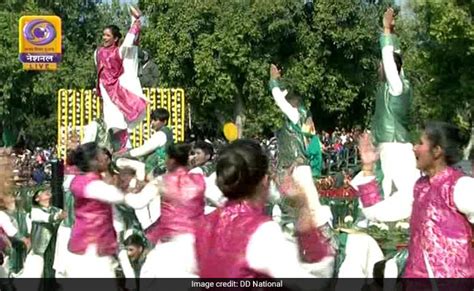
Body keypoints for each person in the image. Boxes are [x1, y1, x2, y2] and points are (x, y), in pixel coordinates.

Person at [194, 139, 335, 284]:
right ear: (265, 181)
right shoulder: (262, 231)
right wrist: (303, 206)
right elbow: (314, 281)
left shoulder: (204, 224)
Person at [357, 121, 474, 279]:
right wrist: (368, 167)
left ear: (437, 151)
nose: (414, 147)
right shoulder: (420, 188)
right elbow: (375, 211)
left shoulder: (461, 187)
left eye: (420, 143)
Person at [65, 142, 154, 278]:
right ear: (94, 161)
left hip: (94, 251)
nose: (106, 157)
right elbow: (135, 201)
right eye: (102, 153)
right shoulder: (91, 185)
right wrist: (157, 186)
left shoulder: (87, 181)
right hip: (90, 256)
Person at [268, 64, 330, 228]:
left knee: (311, 204)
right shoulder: (299, 119)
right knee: (296, 205)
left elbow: (280, 101)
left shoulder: (297, 114)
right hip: (294, 167)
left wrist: (273, 81)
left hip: (299, 167)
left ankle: (326, 239)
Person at [368, 8, 419, 200]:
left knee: (395, 194)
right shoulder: (396, 85)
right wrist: (394, 36)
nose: (379, 67)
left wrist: (386, 32)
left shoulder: (396, 87)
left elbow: (391, 62)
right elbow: (397, 60)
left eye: (381, 64)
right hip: (389, 145)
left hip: (394, 146)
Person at [140, 143, 205, 280]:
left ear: (172, 161)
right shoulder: (199, 180)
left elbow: (138, 202)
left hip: (169, 244)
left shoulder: (163, 181)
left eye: (166, 158)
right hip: (194, 246)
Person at [95, 9, 147, 153]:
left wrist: (135, 23)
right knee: (112, 121)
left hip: (113, 90)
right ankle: (124, 146)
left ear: (115, 38)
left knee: (116, 121)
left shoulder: (118, 51)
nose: (104, 37)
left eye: (107, 35)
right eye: (103, 35)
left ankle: (125, 147)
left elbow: (130, 43)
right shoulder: (98, 52)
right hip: (106, 90)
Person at [19, 187, 66, 278]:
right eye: (43, 192)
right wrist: (61, 216)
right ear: (37, 198)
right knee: (35, 274)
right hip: (39, 250)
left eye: (47, 191)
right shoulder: (35, 211)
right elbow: (49, 218)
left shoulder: (55, 209)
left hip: (53, 248)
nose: (47, 192)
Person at [116, 108, 174, 181]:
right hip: (162, 168)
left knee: (120, 161)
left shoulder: (161, 134)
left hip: (155, 169)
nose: (152, 122)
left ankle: (139, 184)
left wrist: (125, 154)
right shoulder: (168, 133)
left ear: (164, 122)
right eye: (151, 120)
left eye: (155, 120)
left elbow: (143, 150)